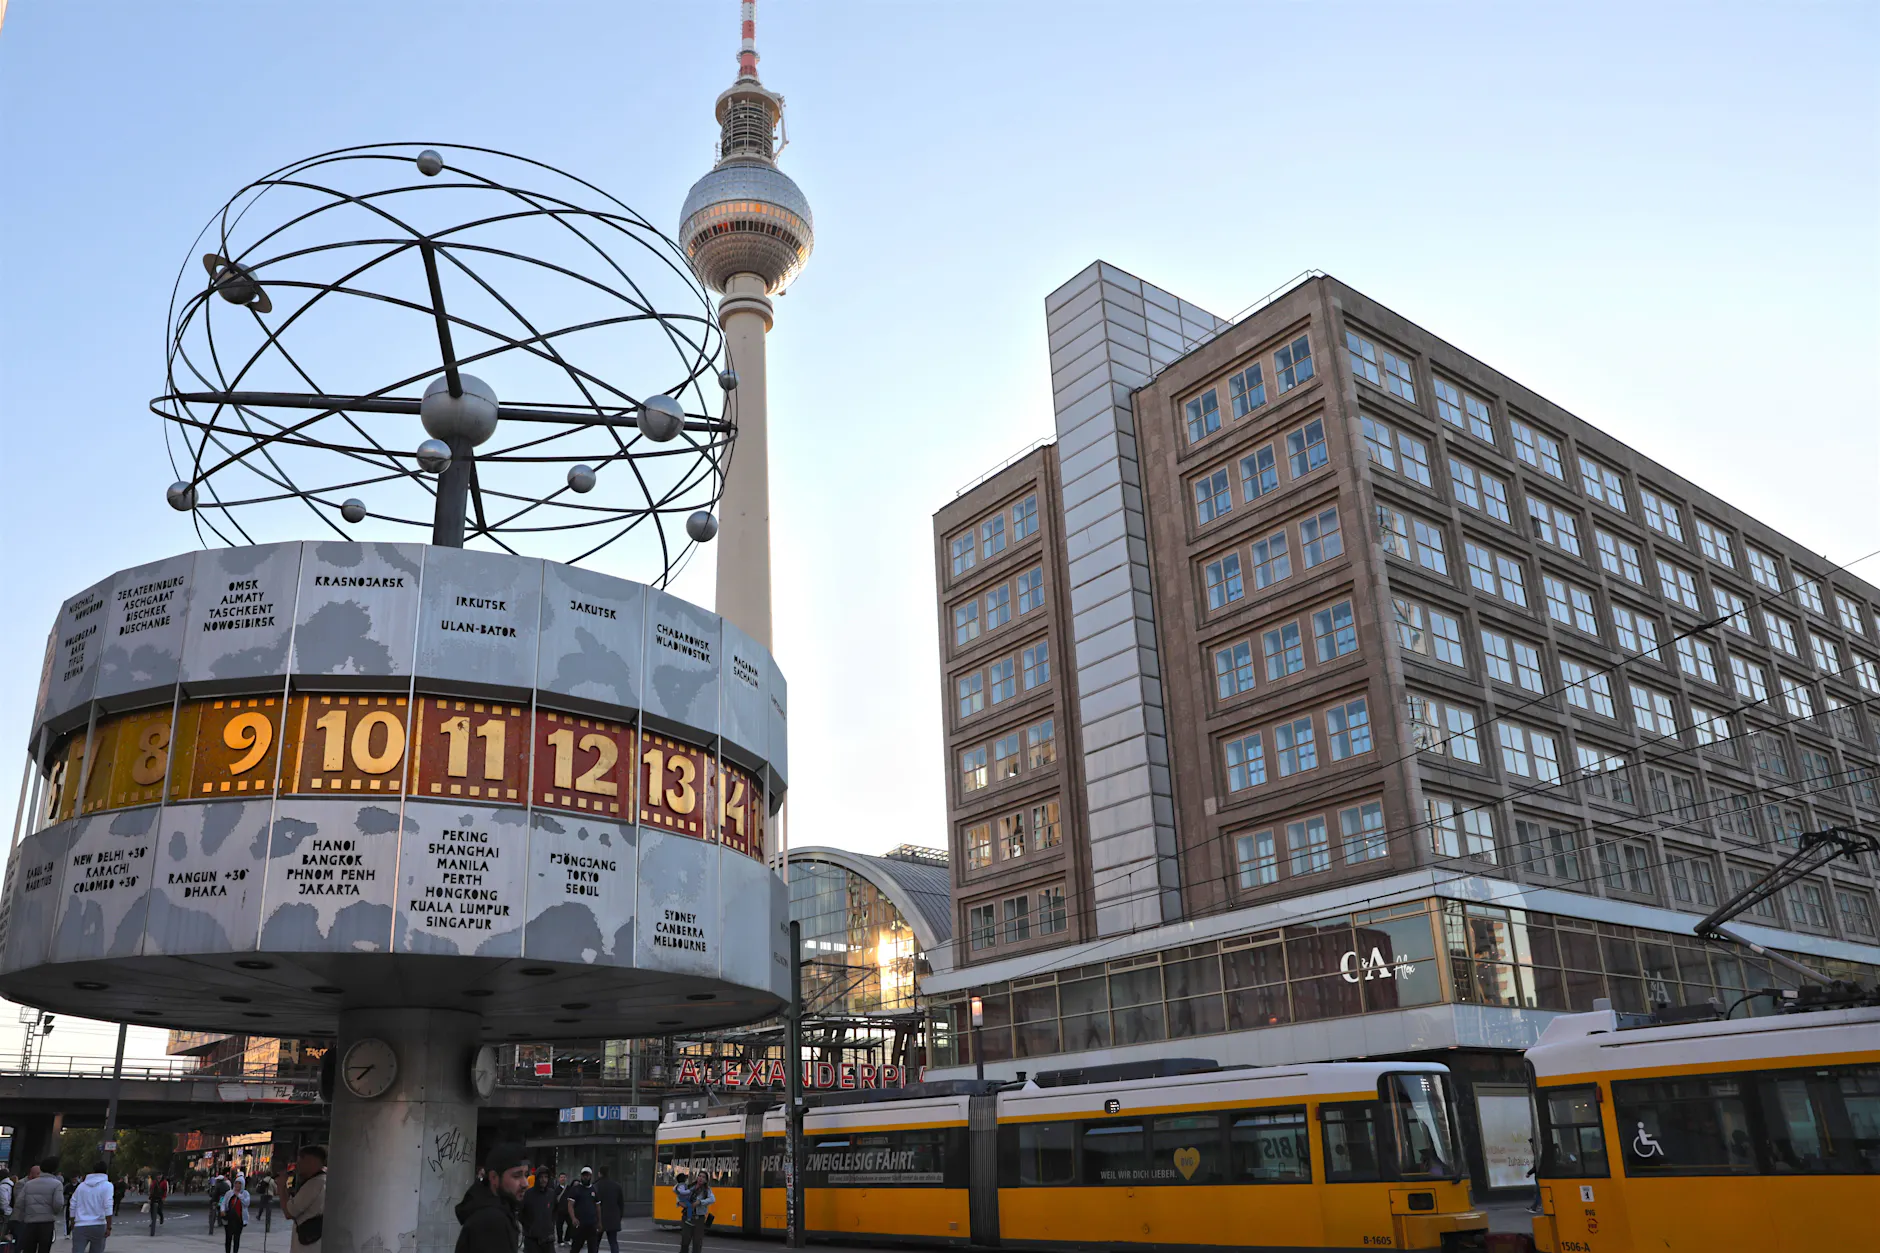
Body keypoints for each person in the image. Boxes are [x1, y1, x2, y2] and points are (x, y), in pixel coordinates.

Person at [454, 1143, 527, 1253]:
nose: (525, 1183)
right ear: (493, 1178)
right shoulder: (491, 1219)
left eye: (526, 1174)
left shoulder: (497, 1210)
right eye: (517, 1176)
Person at [274, 1145, 327, 1253]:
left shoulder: (314, 1184)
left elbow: (289, 1212)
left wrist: (280, 1186)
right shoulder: (324, 1179)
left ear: (310, 1161)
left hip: (307, 1247)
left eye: (300, 1160)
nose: (297, 1165)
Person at [15, 1160, 62, 1253]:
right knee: (44, 1248)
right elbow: (58, 1203)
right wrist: (54, 1212)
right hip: (47, 1222)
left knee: (29, 1249)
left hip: (30, 1221)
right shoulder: (57, 1184)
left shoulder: (29, 1184)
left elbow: (19, 1203)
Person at [67, 1161, 113, 1253]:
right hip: (99, 1224)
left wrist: (72, 1222)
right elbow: (108, 1206)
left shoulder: (81, 1186)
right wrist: (108, 1226)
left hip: (80, 1224)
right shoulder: (107, 1185)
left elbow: (72, 1204)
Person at [563, 1168, 600, 1253]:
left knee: (593, 1249)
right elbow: (570, 1205)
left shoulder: (594, 1189)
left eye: (587, 1175)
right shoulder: (576, 1189)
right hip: (579, 1224)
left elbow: (598, 1206)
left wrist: (599, 1222)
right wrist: (573, 1218)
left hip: (591, 1224)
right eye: (584, 1175)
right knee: (576, 1248)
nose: (585, 1177)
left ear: (590, 1176)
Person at [675, 1169, 713, 1253]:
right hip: (687, 1217)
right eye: (699, 1176)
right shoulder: (689, 1186)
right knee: (685, 1242)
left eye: (703, 1177)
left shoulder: (707, 1190)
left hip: (699, 1218)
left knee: (697, 1243)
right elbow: (679, 1194)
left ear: (706, 1180)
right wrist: (679, 1202)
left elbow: (712, 1199)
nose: (700, 1178)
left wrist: (700, 1202)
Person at [520, 1172, 556, 1253]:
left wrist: (551, 1223)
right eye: (541, 1177)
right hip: (532, 1239)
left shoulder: (551, 1193)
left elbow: (555, 1210)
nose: (544, 1180)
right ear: (537, 1179)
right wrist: (529, 1227)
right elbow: (521, 1213)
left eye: (546, 1177)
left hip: (548, 1239)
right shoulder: (528, 1194)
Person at [596, 1167, 625, 1253]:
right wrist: (619, 1217)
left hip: (599, 1218)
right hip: (613, 1218)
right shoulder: (617, 1186)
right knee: (613, 1242)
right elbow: (621, 1204)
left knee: (595, 1242)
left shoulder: (596, 1186)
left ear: (599, 1173)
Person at [220, 1174, 251, 1253]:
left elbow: (246, 1203)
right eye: (236, 1183)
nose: (237, 1185)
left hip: (239, 1219)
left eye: (239, 1183)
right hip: (229, 1219)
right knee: (228, 1238)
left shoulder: (245, 1194)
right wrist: (222, 1210)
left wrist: (239, 1195)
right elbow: (223, 1202)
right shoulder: (229, 1193)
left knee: (236, 1238)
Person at [551, 1173, 570, 1246]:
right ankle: (560, 1240)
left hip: (568, 1210)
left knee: (571, 1225)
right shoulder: (556, 1189)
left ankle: (567, 1238)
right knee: (559, 1226)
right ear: (559, 1179)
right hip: (559, 1211)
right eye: (561, 1177)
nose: (563, 1179)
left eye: (564, 1177)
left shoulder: (569, 1188)